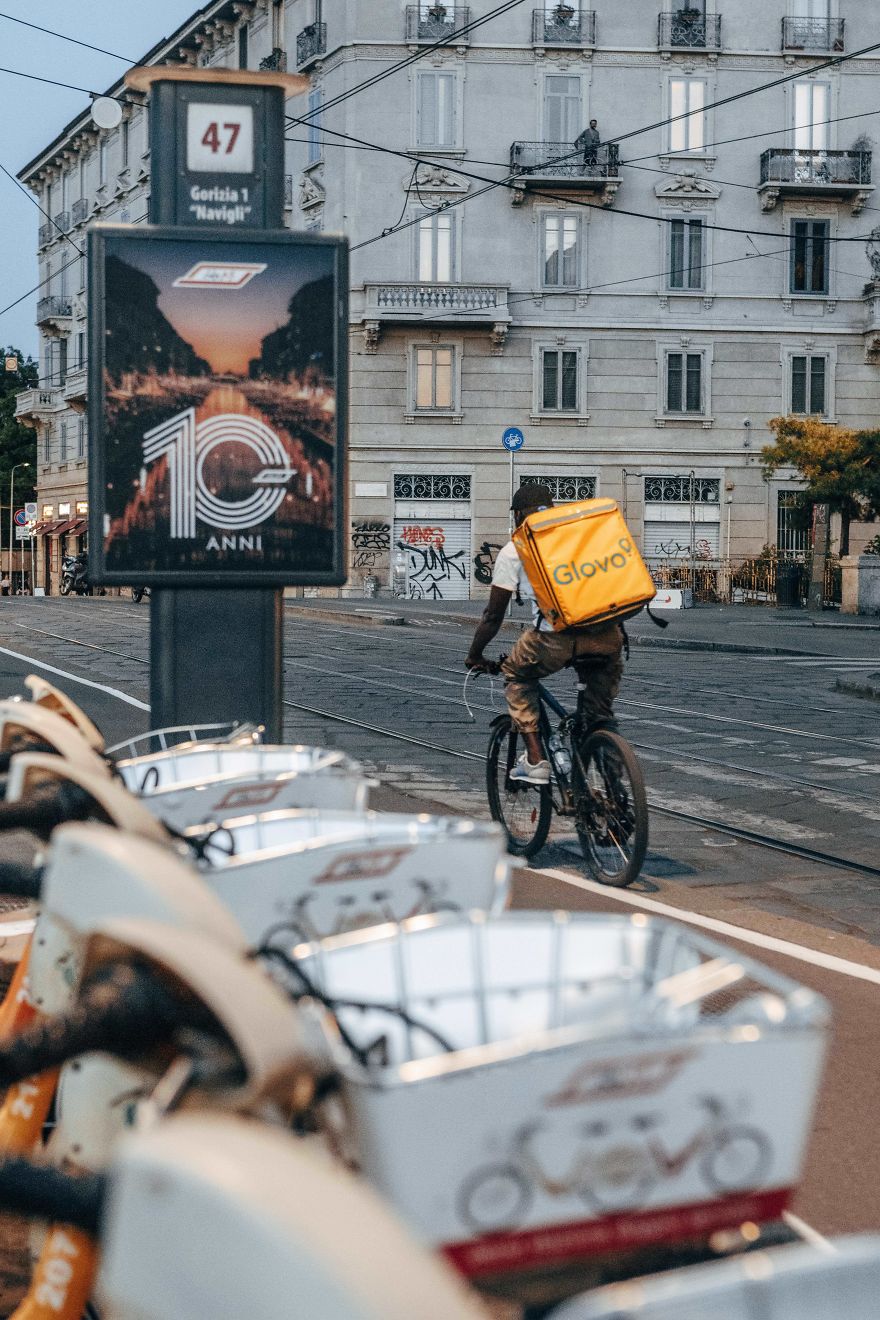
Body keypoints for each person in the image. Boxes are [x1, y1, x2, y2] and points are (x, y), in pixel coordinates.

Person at [465, 484, 624, 785]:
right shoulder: (581, 536)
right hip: (608, 636)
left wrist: (474, 654)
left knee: (517, 674)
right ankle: (616, 794)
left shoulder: (516, 549)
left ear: (518, 516)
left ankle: (536, 759)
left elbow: (492, 616)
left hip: (555, 639)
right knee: (599, 718)